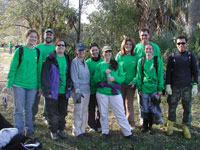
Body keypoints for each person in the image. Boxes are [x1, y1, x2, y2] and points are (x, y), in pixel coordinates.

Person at [2, 29, 42, 137]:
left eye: (35, 37)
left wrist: (40, 86)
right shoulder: (19, 51)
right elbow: (13, 69)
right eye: (31, 36)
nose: (33, 39)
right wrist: (8, 85)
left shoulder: (37, 52)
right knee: (18, 109)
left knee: (29, 110)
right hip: (18, 85)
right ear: (26, 37)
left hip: (32, 86)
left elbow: (39, 71)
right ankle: (19, 132)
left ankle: (29, 131)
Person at [94, 46, 139, 140]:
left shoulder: (116, 64)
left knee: (120, 112)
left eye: (109, 52)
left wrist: (114, 78)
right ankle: (105, 131)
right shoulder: (99, 65)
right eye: (105, 52)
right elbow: (95, 79)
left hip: (115, 92)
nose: (107, 53)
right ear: (102, 54)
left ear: (111, 53)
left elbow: (122, 78)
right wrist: (103, 72)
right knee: (103, 113)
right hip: (102, 92)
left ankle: (127, 132)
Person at [166, 36, 198, 139]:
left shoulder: (190, 56)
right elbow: (168, 72)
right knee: (172, 107)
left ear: (186, 44)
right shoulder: (172, 56)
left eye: (183, 43)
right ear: (176, 44)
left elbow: (195, 71)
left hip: (187, 87)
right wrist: (168, 85)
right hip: (175, 87)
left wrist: (195, 85)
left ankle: (186, 126)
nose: (181, 45)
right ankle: (170, 124)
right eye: (179, 43)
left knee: (187, 108)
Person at [134, 27, 165, 125]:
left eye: (146, 35)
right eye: (142, 35)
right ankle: (143, 118)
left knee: (156, 101)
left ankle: (158, 118)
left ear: (149, 36)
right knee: (142, 102)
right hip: (142, 79)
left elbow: (159, 61)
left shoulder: (155, 47)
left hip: (154, 81)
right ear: (139, 36)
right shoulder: (137, 47)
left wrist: (161, 83)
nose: (144, 37)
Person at [41, 39, 71, 140]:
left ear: (65, 47)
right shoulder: (50, 59)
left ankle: (61, 129)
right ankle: (53, 131)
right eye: (59, 45)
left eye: (63, 45)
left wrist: (70, 84)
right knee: (52, 113)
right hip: (52, 91)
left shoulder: (67, 58)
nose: (61, 46)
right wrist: (46, 90)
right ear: (55, 47)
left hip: (64, 91)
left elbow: (69, 74)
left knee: (62, 112)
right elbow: (44, 75)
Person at [32, 28, 55, 122]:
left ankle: (46, 116)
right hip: (37, 75)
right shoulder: (38, 47)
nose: (49, 36)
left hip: (49, 76)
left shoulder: (55, 48)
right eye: (47, 34)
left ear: (53, 36)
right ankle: (31, 117)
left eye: (50, 34)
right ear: (44, 36)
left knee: (48, 97)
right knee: (35, 97)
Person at [115, 37, 138, 130]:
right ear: (123, 46)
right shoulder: (119, 56)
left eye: (130, 45)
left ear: (132, 46)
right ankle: (122, 123)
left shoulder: (136, 56)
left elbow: (139, 71)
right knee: (120, 104)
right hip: (120, 84)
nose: (128, 46)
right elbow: (115, 69)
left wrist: (135, 80)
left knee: (129, 104)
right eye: (126, 44)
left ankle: (131, 123)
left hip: (131, 84)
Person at [71, 43, 90, 137]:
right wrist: (77, 89)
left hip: (87, 90)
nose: (81, 52)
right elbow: (74, 77)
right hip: (78, 90)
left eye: (82, 50)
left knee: (84, 110)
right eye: (79, 50)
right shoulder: (74, 62)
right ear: (76, 51)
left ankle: (82, 130)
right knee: (78, 111)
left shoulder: (85, 61)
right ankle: (76, 131)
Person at [86, 42, 103, 132]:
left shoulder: (103, 61)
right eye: (92, 50)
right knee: (91, 107)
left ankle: (100, 124)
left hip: (101, 89)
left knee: (100, 107)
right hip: (91, 89)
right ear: (90, 51)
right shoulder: (87, 62)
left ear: (98, 50)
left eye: (96, 50)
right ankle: (92, 125)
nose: (94, 52)